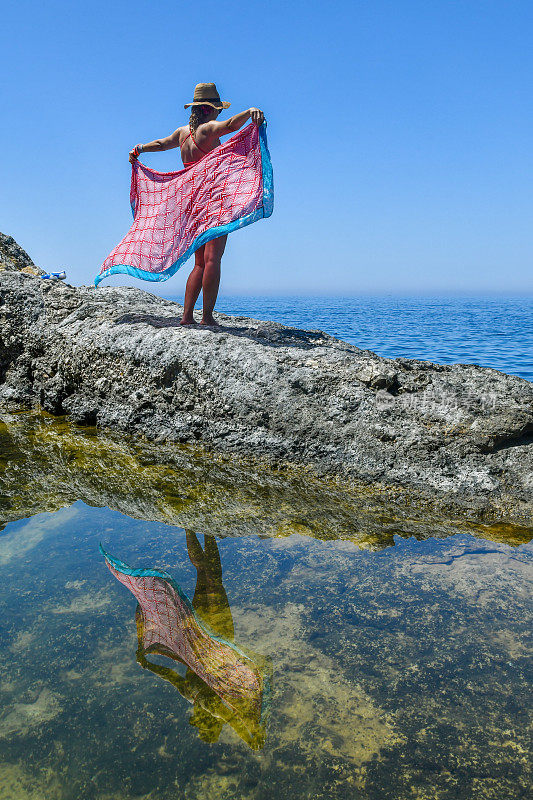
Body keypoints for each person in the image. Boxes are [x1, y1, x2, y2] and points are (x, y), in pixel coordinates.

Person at [128, 83, 265, 326]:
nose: (219, 114)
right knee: (213, 260)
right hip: (213, 200)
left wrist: (139, 149)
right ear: (209, 110)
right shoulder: (208, 130)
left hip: (191, 202)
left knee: (199, 262)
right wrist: (250, 111)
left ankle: (186, 316)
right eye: (217, 110)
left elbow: (160, 144)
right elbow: (232, 125)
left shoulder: (183, 134)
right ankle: (207, 318)